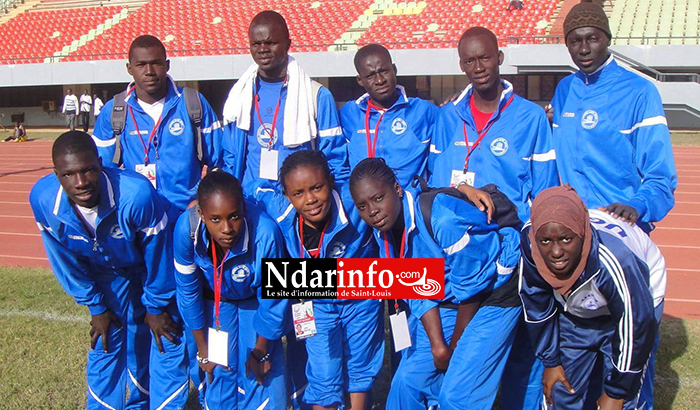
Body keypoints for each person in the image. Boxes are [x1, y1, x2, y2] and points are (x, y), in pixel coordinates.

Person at [429, 26, 558, 408]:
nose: (478, 67)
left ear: (500, 57)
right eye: (469, 60)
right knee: (461, 361)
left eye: (485, 57)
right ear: (461, 65)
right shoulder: (447, 116)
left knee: (524, 360)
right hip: (461, 260)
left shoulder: (531, 118)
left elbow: (545, 193)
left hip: (509, 258)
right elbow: (437, 187)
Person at [92, 34, 223, 407]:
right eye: (141, 64)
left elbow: (220, 164)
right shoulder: (114, 113)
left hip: (190, 233)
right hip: (138, 240)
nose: (150, 71)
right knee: (145, 318)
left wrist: (202, 208)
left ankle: (217, 394)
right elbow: (101, 173)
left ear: (168, 64)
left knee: (206, 311)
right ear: (129, 68)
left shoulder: (194, 106)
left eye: (156, 63)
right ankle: (146, 395)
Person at [349, 157, 522, 410]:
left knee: (457, 398)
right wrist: (438, 345)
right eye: (362, 206)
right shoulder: (383, 228)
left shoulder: (441, 219)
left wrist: (453, 348)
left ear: (397, 189)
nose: (372, 211)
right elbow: (416, 284)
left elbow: (473, 284)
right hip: (453, 299)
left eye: (377, 198)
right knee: (406, 383)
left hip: (494, 293)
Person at [29, 131, 183, 410]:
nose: (81, 182)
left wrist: (157, 306)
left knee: (164, 338)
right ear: (56, 174)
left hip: (150, 268)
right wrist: (96, 307)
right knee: (107, 340)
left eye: (88, 170)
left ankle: (153, 403)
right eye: (69, 174)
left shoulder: (135, 195)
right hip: (108, 272)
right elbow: (65, 260)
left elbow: (159, 255)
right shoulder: (43, 201)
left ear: (100, 163)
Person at [252, 150, 383, 410]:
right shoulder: (278, 208)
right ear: (286, 195)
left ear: (331, 181)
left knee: (360, 367)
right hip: (315, 302)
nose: (310, 199)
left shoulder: (354, 199)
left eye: (317, 188)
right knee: (323, 371)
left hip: (362, 298)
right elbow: (251, 190)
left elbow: (395, 190)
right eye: (298, 194)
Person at [519, 185, 662, 410]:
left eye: (566, 240)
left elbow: (635, 325)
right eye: (546, 242)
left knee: (623, 400)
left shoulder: (617, 260)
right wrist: (551, 361)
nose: (556, 252)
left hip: (633, 301)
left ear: (582, 233)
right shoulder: (530, 240)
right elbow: (536, 303)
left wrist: (616, 393)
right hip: (579, 304)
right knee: (560, 388)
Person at [552, 1, 676, 235]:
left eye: (593, 38)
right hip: (572, 229)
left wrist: (637, 205)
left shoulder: (640, 91)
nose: (584, 49)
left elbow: (660, 176)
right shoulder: (565, 89)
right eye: (575, 41)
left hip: (621, 228)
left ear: (608, 39)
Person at [174, 170, 288, 409]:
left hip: (255, 300)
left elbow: (274, 302)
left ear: (244, 210)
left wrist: (260, 352)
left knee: (260, 376)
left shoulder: (266, 233)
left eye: (234, 217)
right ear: (201, 215)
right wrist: (203, 349)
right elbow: (188, 291)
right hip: (217, 301)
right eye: (216, 219)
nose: (227, 228)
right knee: (218, 370)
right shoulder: (186, 230)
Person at [221, 10, 349, 195]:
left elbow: (335, 161)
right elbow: (230, 157)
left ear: (288, 44)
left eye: (271, 42)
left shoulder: (317, 96)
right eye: (256, 43)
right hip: (251, 202)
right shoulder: (239, 95)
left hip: (298, 204)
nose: (263, 49)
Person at [341, 44, 438, 188]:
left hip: (409, 207)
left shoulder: (424, 111)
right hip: (364, 207)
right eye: (370, 75)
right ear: (360, 80)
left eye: (384, 71)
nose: (380, 80)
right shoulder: (348, 114)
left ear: (394, 70)